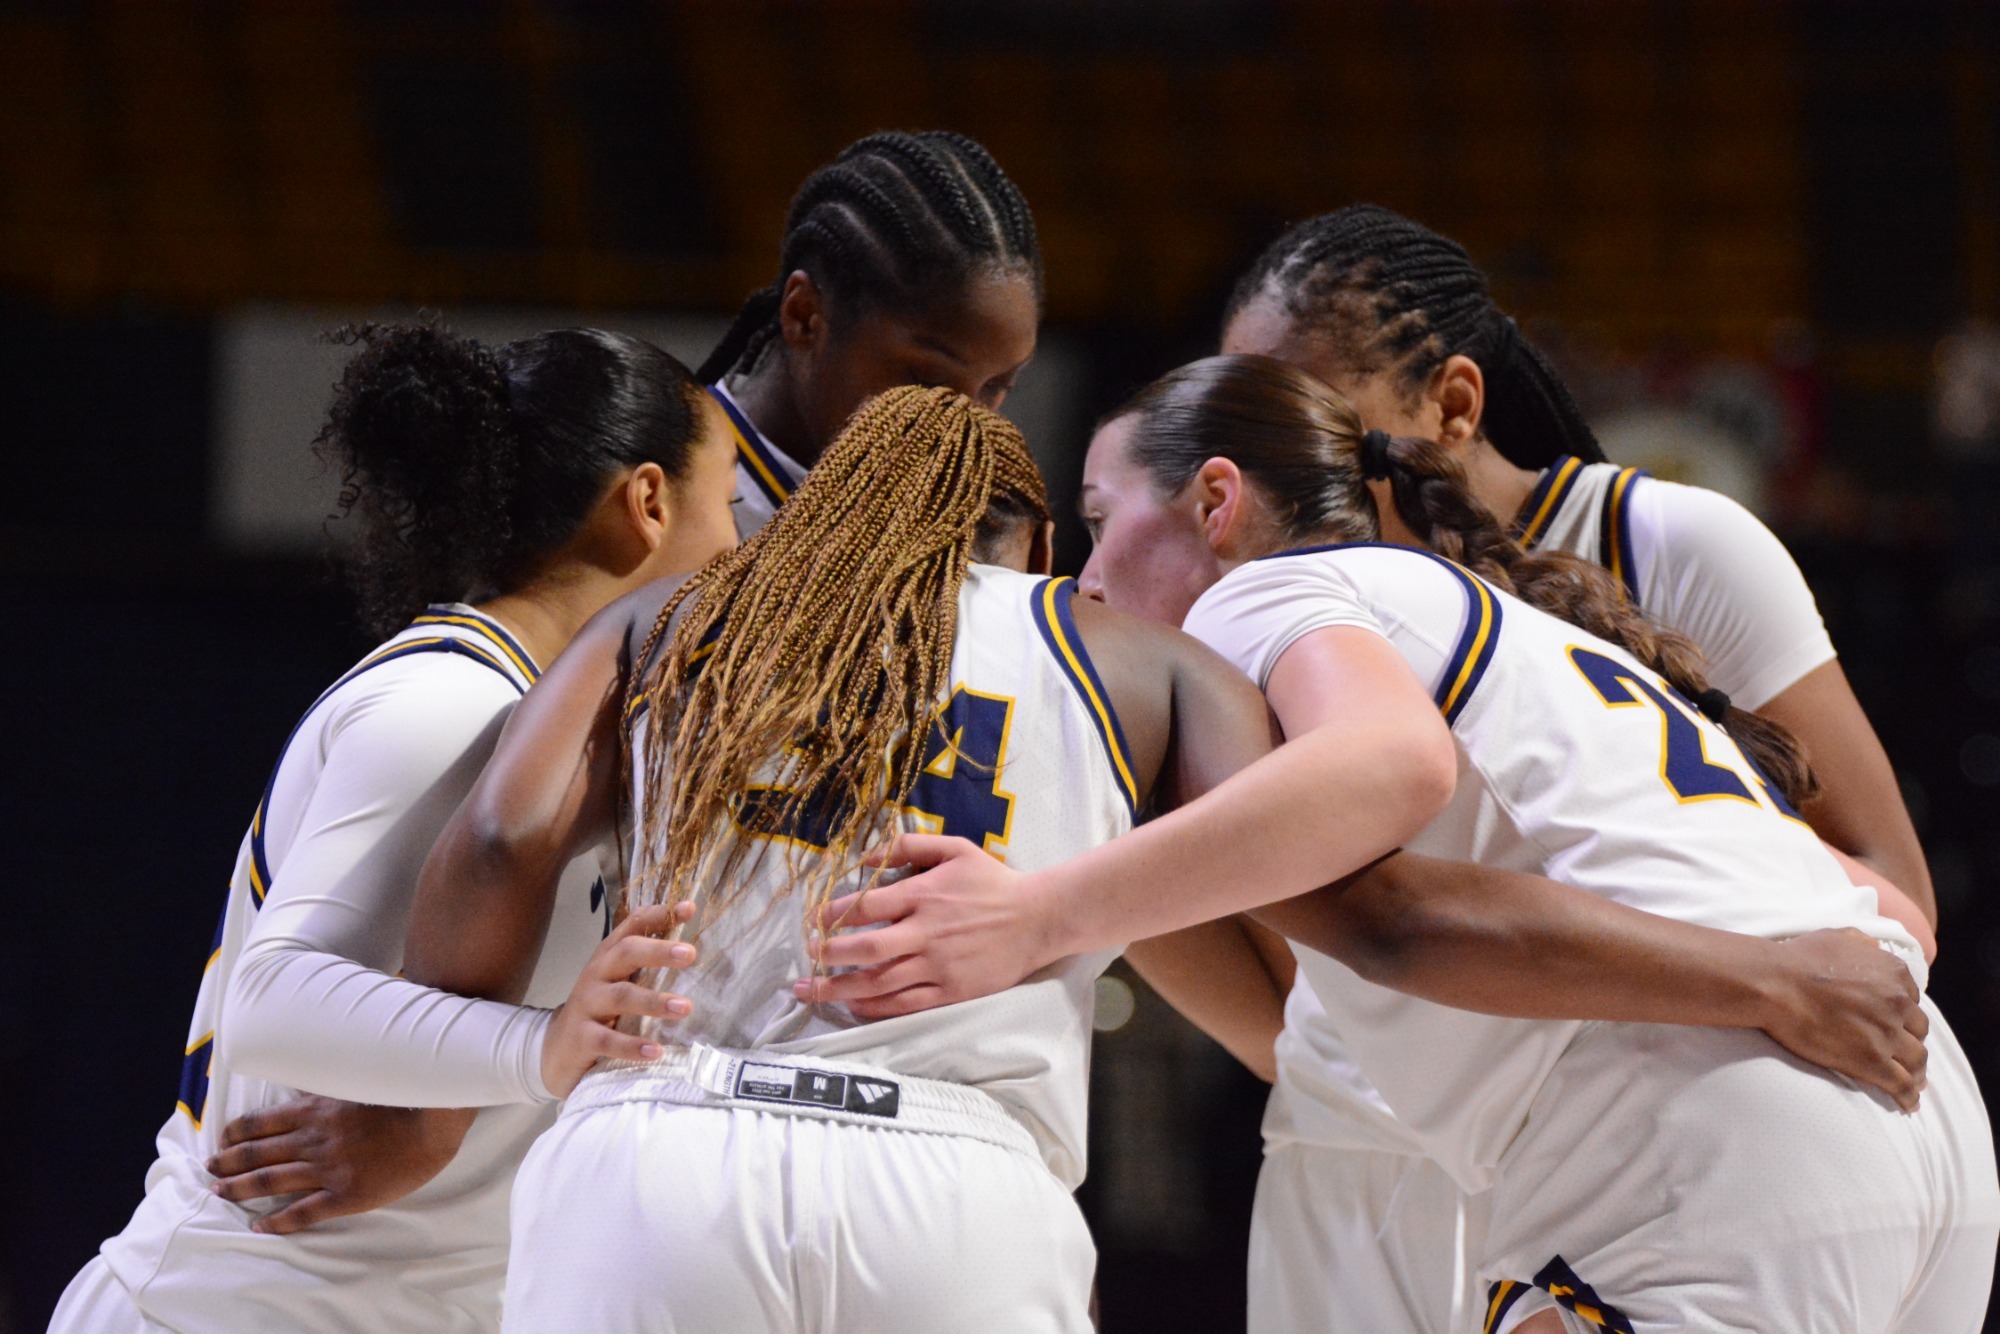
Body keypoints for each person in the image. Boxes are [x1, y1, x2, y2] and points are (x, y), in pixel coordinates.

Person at [392, 386, 1927, 1333]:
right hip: (956, 1183)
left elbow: (502, 834)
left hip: (668, 1143)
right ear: (1030, 546)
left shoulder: (672, 621)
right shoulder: (1120, 653)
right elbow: (1342, 904)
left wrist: (509, 1049)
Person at [805, 355, 1997, 1332]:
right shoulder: (1504, 633)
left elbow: (1391, 795)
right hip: (1914, 1117)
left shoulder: (1258, 600)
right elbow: (1863, 903)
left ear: (1215, 505)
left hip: (1712, 1136)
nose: (1085, 580)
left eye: (1101, 523)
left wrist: (1038, 910)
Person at [1194, 203, 1938, 1334]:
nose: (1268, 454)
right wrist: (1330, 1059)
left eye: (1305, 414)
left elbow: (1889, 893)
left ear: (1450, 403)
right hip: (1365, 1154)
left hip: (1647, 1119)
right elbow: (1214, 885)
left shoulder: (1668, 542)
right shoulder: (1273, 589)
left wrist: (1753, 983)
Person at [50, 324, 738, 1334]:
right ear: (646, 503)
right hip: (228, 1308)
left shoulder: (548, 725)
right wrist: (541, 1043)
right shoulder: (445, 702)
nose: (740, 547)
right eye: (727, 502)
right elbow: (275, 999)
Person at [696, 129, 1042, 539]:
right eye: (928, 380)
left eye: (997, 387)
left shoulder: (956, 532)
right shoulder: (659, 504)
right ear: (805, 316)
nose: (960, 429)